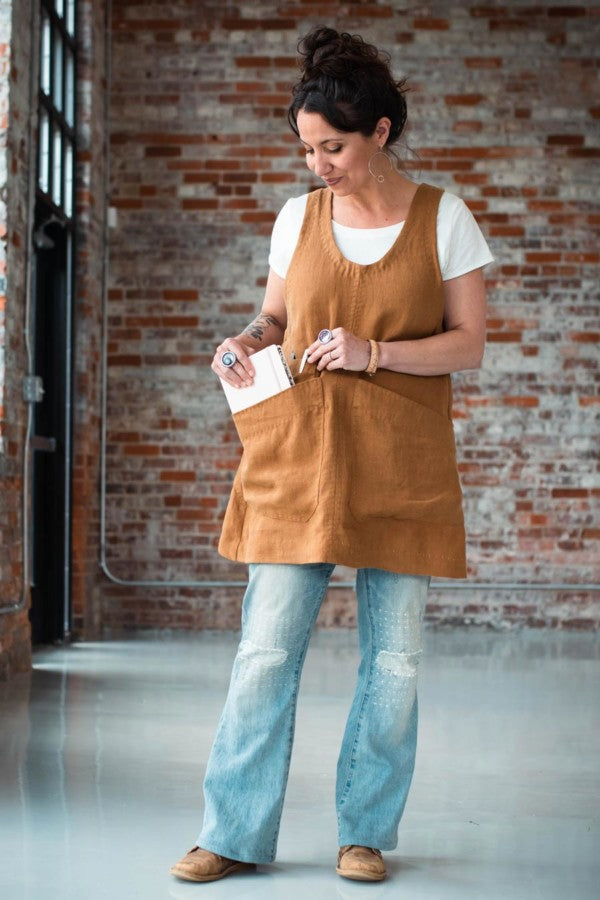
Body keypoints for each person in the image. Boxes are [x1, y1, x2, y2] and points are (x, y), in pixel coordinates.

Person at [170, 25, 494, 884]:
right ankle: (231, 833)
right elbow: (274, 318)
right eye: (308, 149)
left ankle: (365, 833)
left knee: (395, 662)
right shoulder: (296, 219)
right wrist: (242, 342)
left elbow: (468, 344)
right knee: (264, 653)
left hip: (402, 465)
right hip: (299, 459)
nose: (319, 165)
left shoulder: (445, 218)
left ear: (379, 132)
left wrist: (373, 351)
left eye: (334, 148)